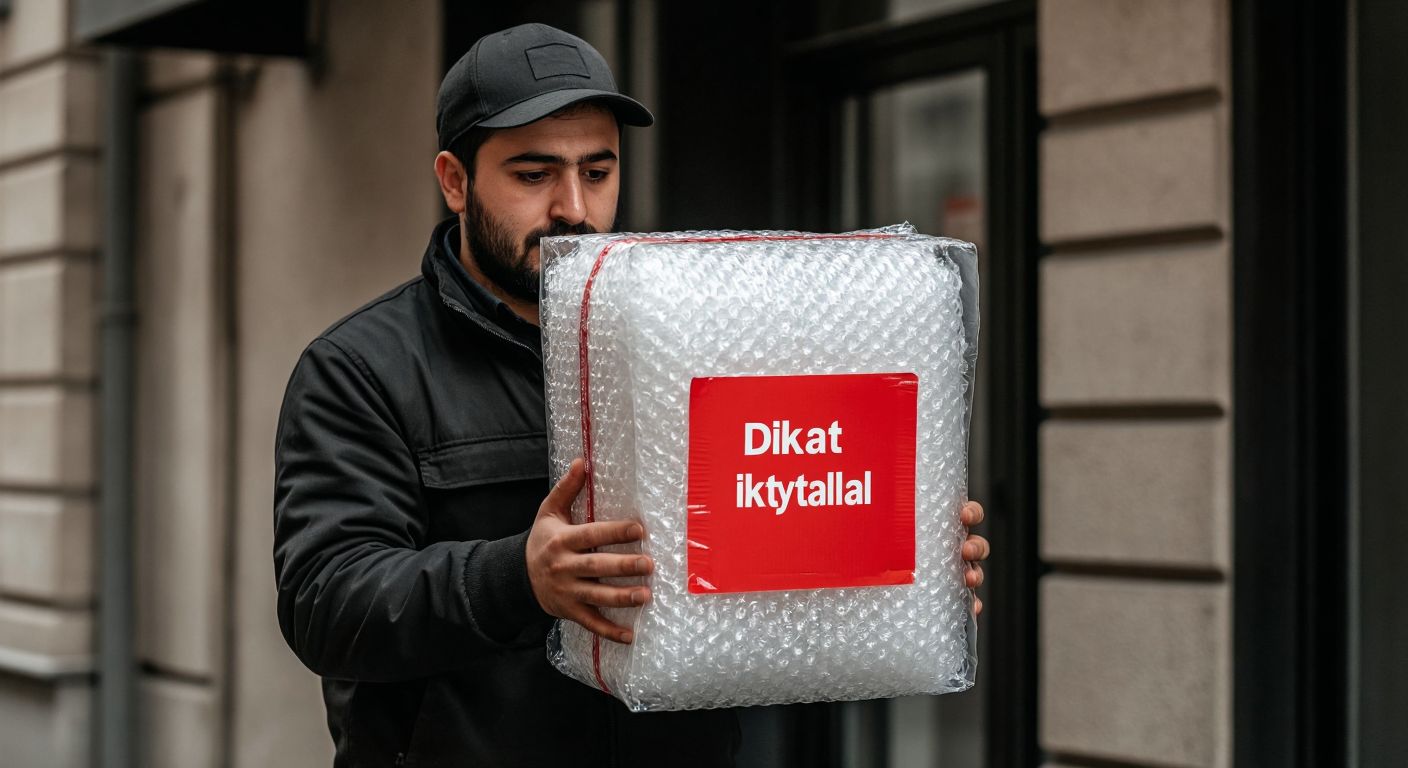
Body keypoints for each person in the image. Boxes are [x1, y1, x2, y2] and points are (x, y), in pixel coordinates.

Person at [272, 22, 991, 768]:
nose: (572, 208)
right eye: (533, 174)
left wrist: (896, 563)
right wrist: (518, 578)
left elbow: (770, 510)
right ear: (455, 181)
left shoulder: (692, 333)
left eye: (597, 171)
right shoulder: (362, 368)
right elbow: (325, 602)